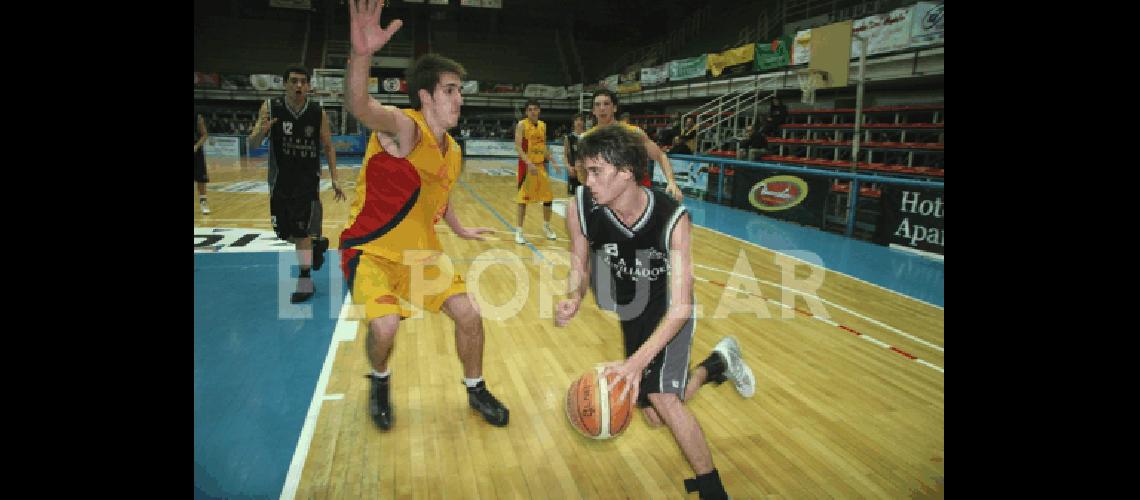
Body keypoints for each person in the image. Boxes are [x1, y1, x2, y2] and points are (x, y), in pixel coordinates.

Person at [555, 124, 756, 500]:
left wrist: (634, 366)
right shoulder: (581, 206)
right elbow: (579, 265)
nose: (587, 181)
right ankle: (717, 364)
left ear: (626, 172)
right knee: (654, 414)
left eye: (596, 171)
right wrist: (573, 296)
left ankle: (713, 489)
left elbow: (681, 307)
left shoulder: (672, 219)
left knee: (663, 398)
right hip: (633, 310)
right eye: (585, 171)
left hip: (669, 309)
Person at [340, 0, 509, 430]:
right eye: (450, 90)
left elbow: (439, 196)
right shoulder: (405, 128)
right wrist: (362, 55)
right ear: (425, 96)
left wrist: (459, 227)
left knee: (469, 315)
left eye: (460, 90)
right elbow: (360, 105)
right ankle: (379, 379)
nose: (459, 98)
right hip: (372, 252)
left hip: (421, 258)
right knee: (386, 329)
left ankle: (476, 388)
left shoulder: (452, 152)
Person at [248, 64, 346, 303]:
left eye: (303, 81)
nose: (298, 85)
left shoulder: (316, 111)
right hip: (280, 181)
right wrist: (262, 131)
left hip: (307, 182)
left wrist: (335, 177)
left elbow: (328, 146)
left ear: (309, 85)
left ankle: (305, 280)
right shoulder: (271, 108)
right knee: (287, 233)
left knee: (300, 231)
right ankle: (316, 245)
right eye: (293, 81)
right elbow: (252, 144)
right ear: (285, 83)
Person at [586, 89, 682, 201]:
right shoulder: (587, 138)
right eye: (597, 105)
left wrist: (671, 182)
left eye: (606, 104)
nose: (602, 108)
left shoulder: (632, 132)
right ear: (593, 110)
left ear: (615, 108)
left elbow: (660, 156)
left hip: (635, 194)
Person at [513, 99, 563, 244]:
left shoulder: (543, 125)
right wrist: (528, 163)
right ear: (526, 112)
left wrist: (553, 161)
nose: (533, 112)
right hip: (527, 167)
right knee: (523, 200)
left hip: (540, 166)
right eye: (530, 109)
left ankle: (546, 226)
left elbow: (543, 146)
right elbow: (518, 147)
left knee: (548, 198)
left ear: (539, 110)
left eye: (535, 109)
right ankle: (519, 231)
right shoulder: (521, 125)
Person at [563, 113, 587, 197]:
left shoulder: (588, 136)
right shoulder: (568, 138)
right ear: (573, 122)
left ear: (584, 122)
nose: (579, 122)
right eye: (576, 120)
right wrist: (568, 167)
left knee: (585, 198)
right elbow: (565, 156)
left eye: (581, 120)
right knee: (572, 198)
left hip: (585, 172)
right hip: (573, 171)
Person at [194, 112, 211, 214]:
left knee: (201, 179)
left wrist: (196, 146)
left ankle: (203, 202)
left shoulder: (197, 117)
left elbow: (204, 135)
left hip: (196, 152)